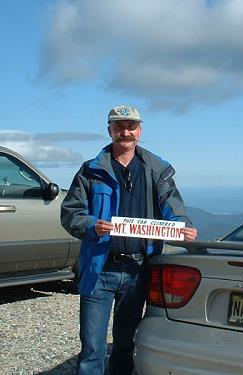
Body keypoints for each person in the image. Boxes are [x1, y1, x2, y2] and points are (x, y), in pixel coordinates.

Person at [60, 104, 197, 375]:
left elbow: (174, 209)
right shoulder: (90, 171)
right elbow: (70, 213)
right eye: (119, 126)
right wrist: (91, 225)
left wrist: (184, 230)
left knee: (124, 345)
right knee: (91, 349)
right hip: (99, 269)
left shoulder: (157, 170)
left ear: (140, 130)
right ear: (109, 130)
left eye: (130, 126)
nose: (125, 132)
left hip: (138, 270)